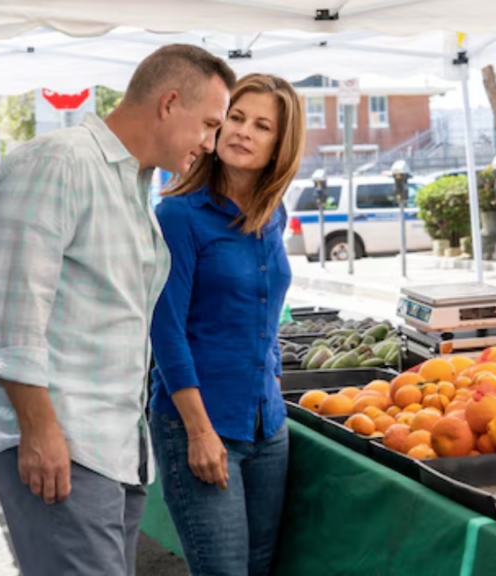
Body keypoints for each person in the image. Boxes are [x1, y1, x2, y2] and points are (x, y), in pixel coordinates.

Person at [0, 45, 236, 576]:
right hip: (63, 443)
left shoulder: (132, 186)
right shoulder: (59, 161)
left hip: (114, 448)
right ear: (168, 104)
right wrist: (41, 432)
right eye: (208, 125)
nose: (211, 145)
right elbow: (12, 315)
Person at [148, 73, 305, 576]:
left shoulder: (272, 214)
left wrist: (273, 382)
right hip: (200, 425)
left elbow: (267, 311)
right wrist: (198, 432)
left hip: (267, 427)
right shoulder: (178, 215)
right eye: (236, 117)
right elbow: (166, 330)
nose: (243, 132)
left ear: (280, 144)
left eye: (262, 126)